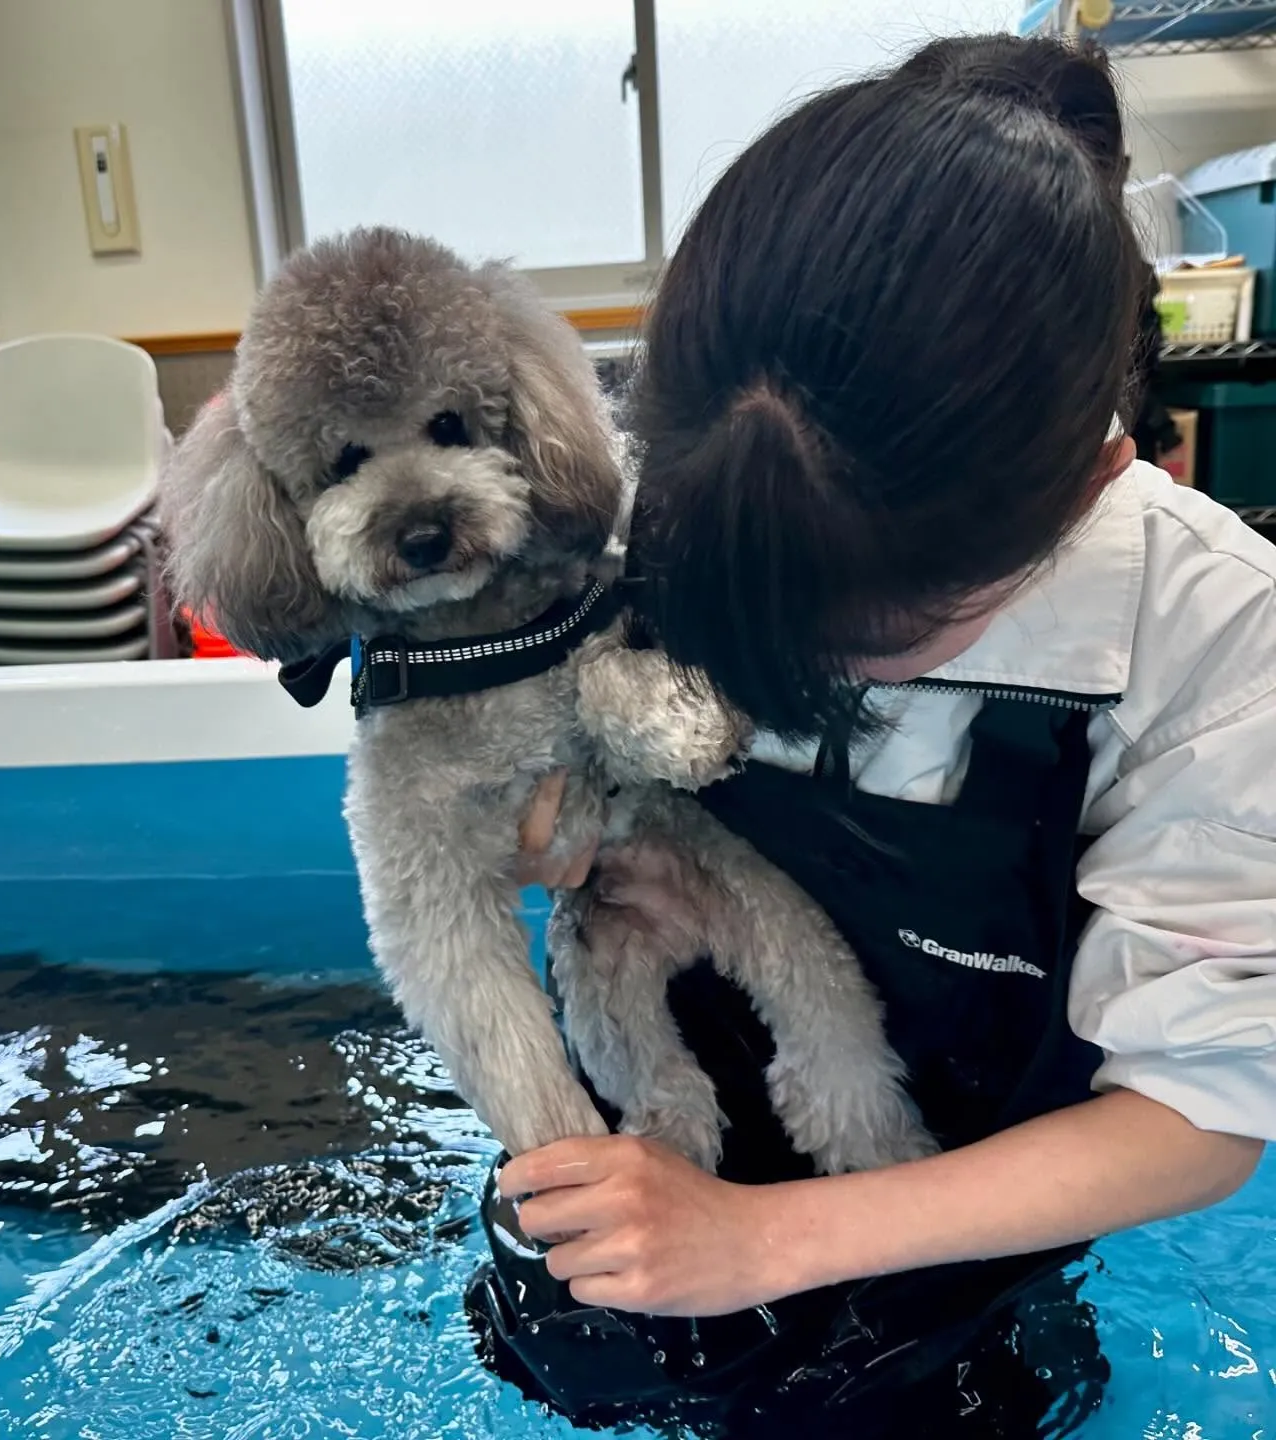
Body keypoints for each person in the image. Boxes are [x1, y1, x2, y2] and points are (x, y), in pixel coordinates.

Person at [464, 32, 1275, 1439]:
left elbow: (1198, 1116)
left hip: (945, 1233)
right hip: (652, 1125)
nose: (794, 667)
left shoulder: (1210, 636)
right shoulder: (653, 481)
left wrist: (764, 1243)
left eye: (872, 638)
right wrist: (542, 828)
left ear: (1092, 483)